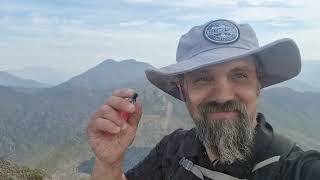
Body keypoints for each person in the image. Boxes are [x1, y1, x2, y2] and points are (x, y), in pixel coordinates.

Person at [86, 19, 320, 180]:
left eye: (239, 75)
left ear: (258, 84)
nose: (223, 95)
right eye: (202, 79)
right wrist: (109, 163)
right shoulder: (172, 150)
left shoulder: (295, 168)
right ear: (183, 90)